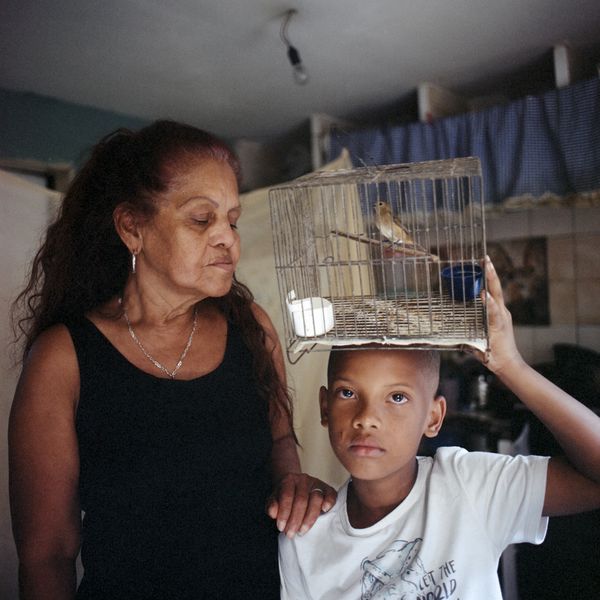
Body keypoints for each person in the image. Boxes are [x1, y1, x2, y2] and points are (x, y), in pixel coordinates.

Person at [8, 120, 336, 600]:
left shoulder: (251, 329)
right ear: (132, 228)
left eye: (232, 220)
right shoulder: (63, 359)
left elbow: (280, 438)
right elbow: (47, 555)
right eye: (201, 219)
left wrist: (292, 485)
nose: (227, 238)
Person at [279, 256, 600, 599]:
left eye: (397, 397)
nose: (367, 417)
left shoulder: (469, 486)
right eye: (348, 393)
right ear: (325, 407)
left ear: (433, 417)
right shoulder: (304, 536)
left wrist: (510, 365)